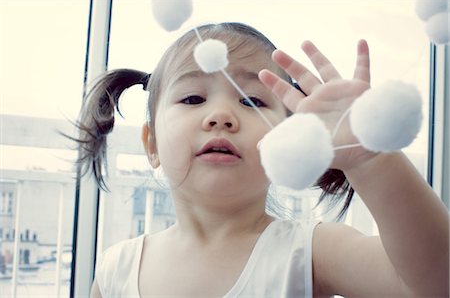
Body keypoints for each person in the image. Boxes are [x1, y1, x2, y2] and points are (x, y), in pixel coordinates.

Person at [76, 22, 449, 297]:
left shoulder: (309, 252)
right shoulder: (116, 270)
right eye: (192, 99)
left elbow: (432, 283)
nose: (221, 116)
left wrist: (371, 160)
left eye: (252, 101)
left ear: (288, 140)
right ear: (151, 144)